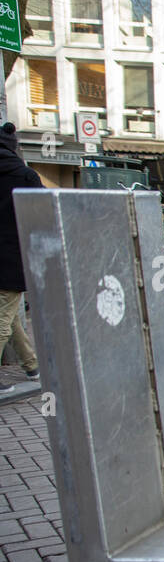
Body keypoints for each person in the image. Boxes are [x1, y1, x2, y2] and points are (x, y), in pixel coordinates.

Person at [0, 121, 44, 395]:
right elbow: (43, 215)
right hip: (11, 257)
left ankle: (31, 365)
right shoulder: (24, 176)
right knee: (4, 317)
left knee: (10, 314)